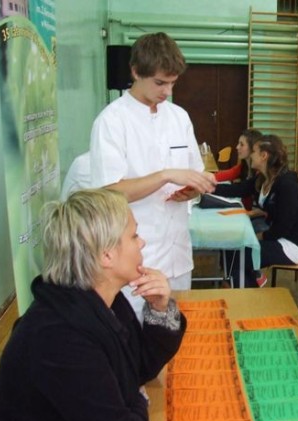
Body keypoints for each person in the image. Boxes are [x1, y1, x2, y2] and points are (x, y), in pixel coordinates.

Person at [0, 189, 186, 421]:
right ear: (106, 255)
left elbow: (140, 367)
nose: (142, 243)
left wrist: (159, 309)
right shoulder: (59, 338)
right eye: (134, 235)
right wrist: (137, 398)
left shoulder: (103, 300)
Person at [89, 32, 216, 321]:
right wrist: (165, 175)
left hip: (178, 253)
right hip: (135, 259)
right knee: (137, 333)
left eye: (173, 83)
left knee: (174, 328)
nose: (167, 91)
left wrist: (194, 188)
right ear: (136, 72)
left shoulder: (179, 117)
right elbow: (109, 192)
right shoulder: (111, 121)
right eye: (160, 83)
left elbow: (193, 171)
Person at [229, 134, 298, 287]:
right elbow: (239, 189)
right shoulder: (263, 178)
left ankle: (245, 290)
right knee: (234, 249)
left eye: (253, 152)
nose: (251, 155)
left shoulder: (287, 185)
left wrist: (259, 237)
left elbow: (283, 226)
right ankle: (248, 284)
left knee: (239, 254)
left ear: (264, 156)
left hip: (294, 246)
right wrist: (207, 188)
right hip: (279, 236)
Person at [213, 128, 263, 210]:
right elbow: (223, 175)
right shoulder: (243, 166)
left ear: (253, 148)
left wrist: (208, 187)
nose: (237, 147)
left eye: (242, 144)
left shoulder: (260, 173)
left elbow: (240, 189)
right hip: (246, 210)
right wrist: (203, 179)